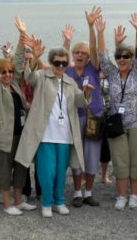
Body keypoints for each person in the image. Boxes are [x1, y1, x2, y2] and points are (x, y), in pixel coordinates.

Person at [15, 35, 92, 218]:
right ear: (50, 62)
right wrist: (34, 57)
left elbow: (80, 102)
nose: (60, 67)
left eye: (64, 64)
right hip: (45, 134)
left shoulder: (70, 82)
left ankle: (59, 201)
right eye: (57, 63)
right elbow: (28, 76)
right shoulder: (41, 76)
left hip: (65, 135)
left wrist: (87, 93)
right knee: (46, 171)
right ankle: (46, 202)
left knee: (60, 172)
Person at [97, 13, 137, 211]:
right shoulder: (111, 73)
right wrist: (100, 32)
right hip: (116, 123)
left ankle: (134, 195)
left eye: (125, 56)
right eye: (119, 56)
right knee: (120, 161)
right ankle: (121, 195)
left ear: (131, 59)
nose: (122, 59)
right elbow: (102, 55)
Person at [0, 26, 37, 215]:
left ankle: (19, 200)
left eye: (9, 72)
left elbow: (19, 63)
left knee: (21, 167)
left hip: (19, 134)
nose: (7, 75)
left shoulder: (14, 85)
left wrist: (22, 36)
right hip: (4, 137)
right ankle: (7, 203)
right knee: (5, 170)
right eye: (3, 72)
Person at [66, 6, 105, 208]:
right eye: (76, 52)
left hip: (93, 117)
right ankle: (77, 192)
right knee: (76, 156)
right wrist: (66, 42)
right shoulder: (67, 71)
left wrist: (91, 27)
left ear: (88, 56)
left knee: (92, 156)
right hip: (74, 117)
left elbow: (96, 49)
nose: (80, 55)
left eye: (83, 52)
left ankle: (89, 192)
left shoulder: (94, 67)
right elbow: (58, 58)